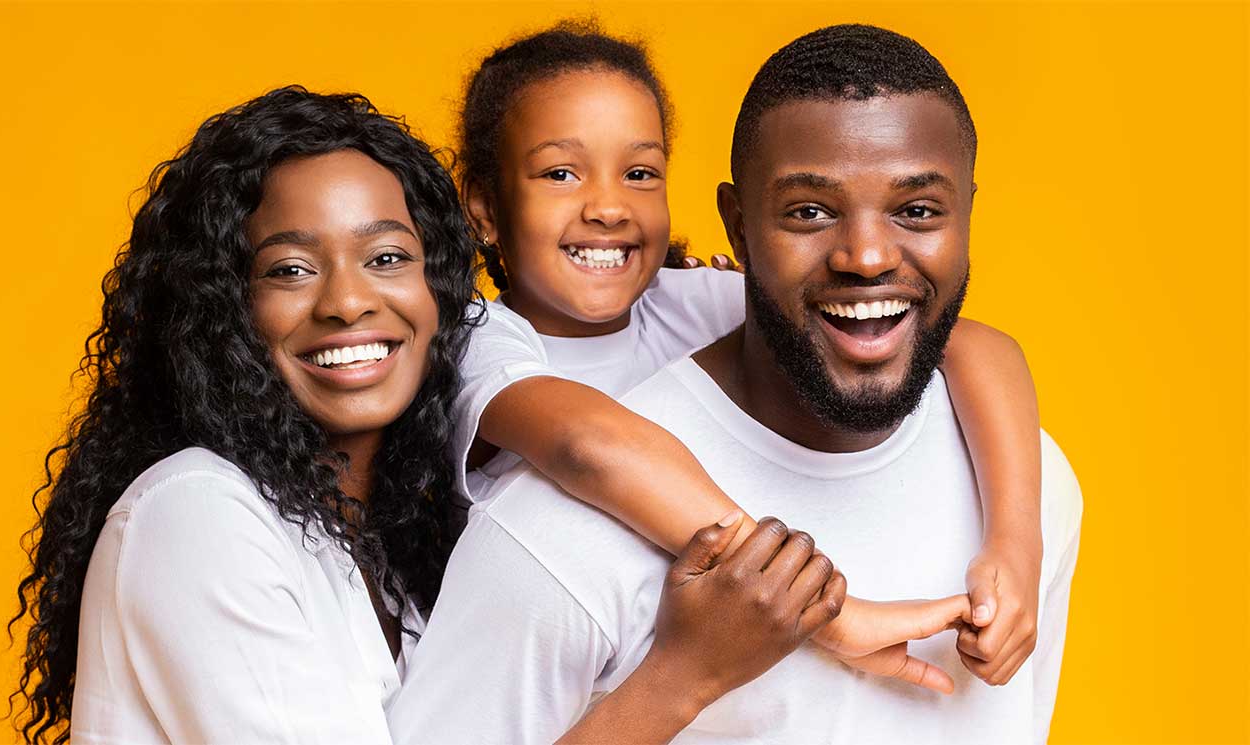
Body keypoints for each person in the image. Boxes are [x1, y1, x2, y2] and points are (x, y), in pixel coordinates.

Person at [8, 86, 843, 745]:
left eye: (386, 258)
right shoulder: (196, 514)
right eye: (291, 268)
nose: (348, 301)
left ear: (439, 289)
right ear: (220, 306)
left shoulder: (394, 544)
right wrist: (682, 675)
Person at [391, 24, 1083, 743]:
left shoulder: (1029, 483)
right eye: (809, 211)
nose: (867, 256)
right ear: (741, 227)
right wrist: (825, 607)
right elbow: (587, 442)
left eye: (916, 209)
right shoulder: (528, 486)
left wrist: (1015, 539)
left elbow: (972, 341)